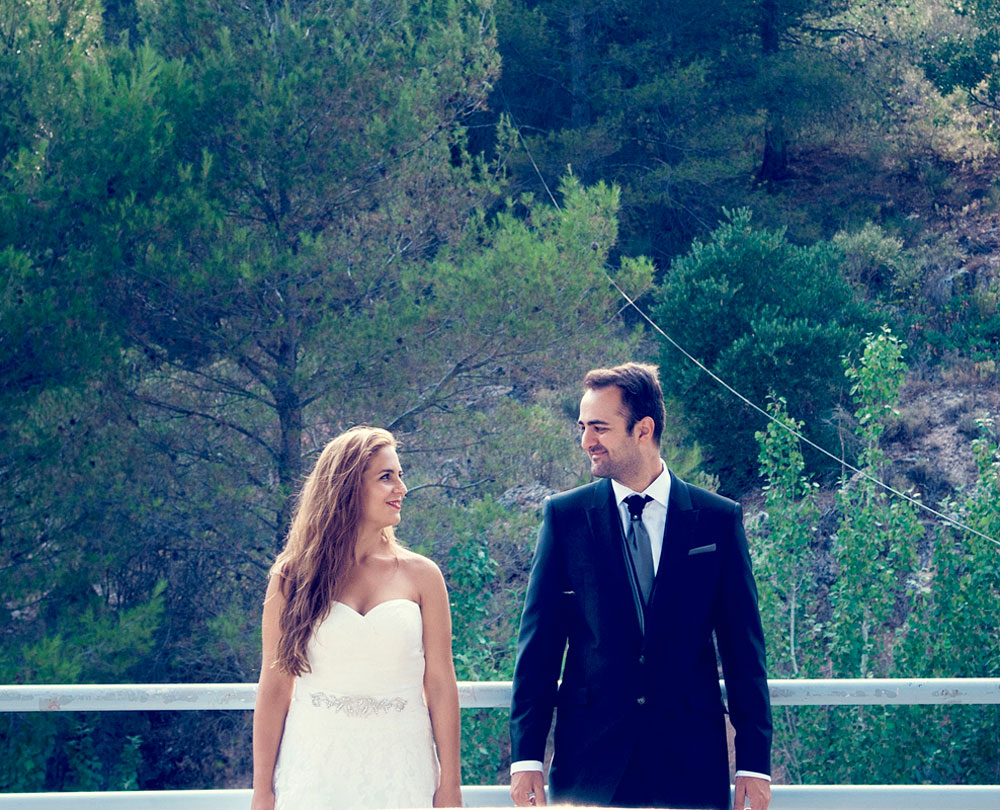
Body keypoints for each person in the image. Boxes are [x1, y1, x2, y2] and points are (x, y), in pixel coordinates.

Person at [509, 363, 772, 810]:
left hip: (691, 763)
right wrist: (526, 756)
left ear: (643, 429)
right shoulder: (564, 518)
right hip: (590, 763)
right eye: (583, 427)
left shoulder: (717, 519)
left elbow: (743, 651)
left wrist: (753, 763)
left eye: (599, 428)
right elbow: (538, 648)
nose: (586, 441)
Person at [251, 426, 463, 810]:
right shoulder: (292, 577)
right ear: (347, 487)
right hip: (314, 770)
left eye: (400, 475)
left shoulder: (423, 576)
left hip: (403, 769)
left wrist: (450, 785)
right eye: (386, 477)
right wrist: (262, 791)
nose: (402, 488)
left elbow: (440, 685)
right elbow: (275, 687)